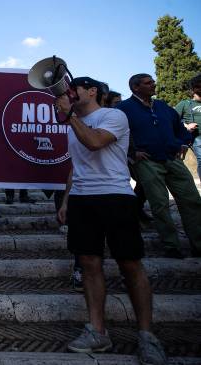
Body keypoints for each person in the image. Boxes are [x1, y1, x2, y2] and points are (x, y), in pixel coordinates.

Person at [55, 77, 166, 364]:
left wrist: (68, 116)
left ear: (92, 91)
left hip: (115, 196)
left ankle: (146, 335)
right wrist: (67, 199)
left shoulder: (113, 115)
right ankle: (97, 330)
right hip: (82, 199)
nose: (69, 94)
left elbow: (94, 143)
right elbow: (76, 165)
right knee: (89, 264)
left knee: (130, 264)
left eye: (73, 89)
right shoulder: (75, 122)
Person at [117, 74, 201, 258]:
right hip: (147, 162)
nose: (154, 84)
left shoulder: (162, 106)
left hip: (172, 159)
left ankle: (198, 244)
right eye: (149, 83)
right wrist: (132, 152)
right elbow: (117, 133)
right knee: (160, 204)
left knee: (192, 200)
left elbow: (179, 128)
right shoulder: (124, 108)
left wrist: (183, 142)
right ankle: (171, 246)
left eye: (153, 81)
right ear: (135, 88)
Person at [175, 73, 201, 180]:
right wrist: (186, 125)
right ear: (194, 88)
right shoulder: (185, 104)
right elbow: (173, 121)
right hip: (197, 137)